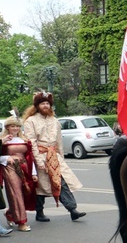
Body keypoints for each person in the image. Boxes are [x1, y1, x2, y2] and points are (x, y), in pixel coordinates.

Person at [23, 92, 86, 223]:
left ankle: (72, 210)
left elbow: (59, 141)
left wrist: (61, 157)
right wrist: (39, 160)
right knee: (41, 186)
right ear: (37, 105)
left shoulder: (54, 120)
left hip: (54, 156)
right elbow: (31, 142)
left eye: (47, 103)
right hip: (40, 155)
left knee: (61, 182)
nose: (45, 105)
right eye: (43, 103)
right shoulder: (31, 121)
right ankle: (39, 212)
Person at [0, 117, 38, 232]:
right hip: (10, 168)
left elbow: (29, 157)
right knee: (16, 194)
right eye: (12, 126)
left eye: (17, 126)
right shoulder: (3, 140)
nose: (15, 128)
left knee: (25, 192)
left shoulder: (24, 139)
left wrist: (34, 173)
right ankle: (21, 223)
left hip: (24, 167)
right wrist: (7, 158)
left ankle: (10, 212)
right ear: (7, 127)